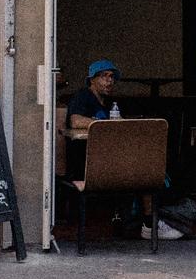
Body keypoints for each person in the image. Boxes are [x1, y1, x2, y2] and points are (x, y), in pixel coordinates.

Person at [66, 59, 178, 241]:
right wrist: (104, 125)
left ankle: (149, 224)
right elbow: (75, 121)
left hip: (108, 161)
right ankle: (147, 224)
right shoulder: (83, 96)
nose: (109, 81)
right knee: (140, 170)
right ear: (92, 79)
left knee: (147, 171)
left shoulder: (110, 103)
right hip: (86, 166)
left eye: (112, 78)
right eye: (104, 76)